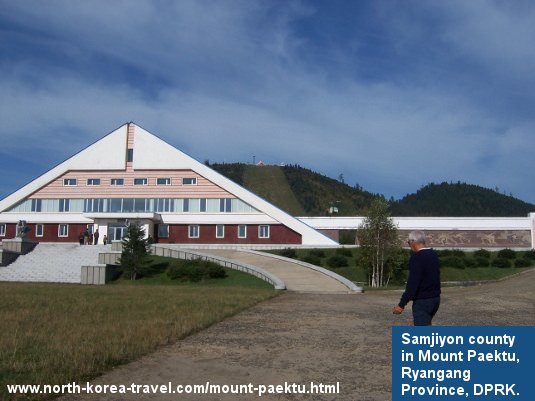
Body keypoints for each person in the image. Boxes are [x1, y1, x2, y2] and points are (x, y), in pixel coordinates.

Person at [393, 230, 441, 326]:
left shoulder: (417, 258)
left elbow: (413, 283)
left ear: (413, 241)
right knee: (417, 325)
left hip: (423, 301)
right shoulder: (433, 255)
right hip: (435, 299)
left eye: (408, 242)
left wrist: (401, 304)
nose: (409, 245)